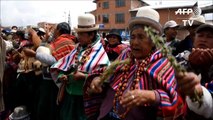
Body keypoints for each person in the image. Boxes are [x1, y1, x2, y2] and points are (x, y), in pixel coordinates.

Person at [87, 7, 184, 120]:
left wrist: (152, 96)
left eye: (141, 37)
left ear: (154, 41)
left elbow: (174, 99)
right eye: (132, 37)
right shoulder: (125, 54)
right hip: (107, 114)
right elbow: (107, 73)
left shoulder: (164, 63)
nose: (135, 42)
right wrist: (98, 79)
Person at [51, 13, 110, 120]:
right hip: (69, 98)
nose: (78, 37)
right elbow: (64, 66)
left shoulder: (100, 54)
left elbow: (105, 78)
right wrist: (62, 76)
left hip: (84, 102)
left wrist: (84, 76)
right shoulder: (76, 49)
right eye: (78, 34)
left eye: (81, 34)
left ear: (91, 35)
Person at [23, 22, 76, 120]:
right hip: (56, 81)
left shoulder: (62, 42)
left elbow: (55, 61)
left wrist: (35, 55)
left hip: (53, 82)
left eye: (55, 30)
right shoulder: (68, 41)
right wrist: (46, 38)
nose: (53, 32)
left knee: (50, 110)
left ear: (59, 31)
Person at [176, 24, 213, 120]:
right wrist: (191, 65)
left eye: (209, 37)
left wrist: (208, 67)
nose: (204, 40)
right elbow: (172, 77)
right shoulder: (182, 56)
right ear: (194, 39)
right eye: (200, 36)